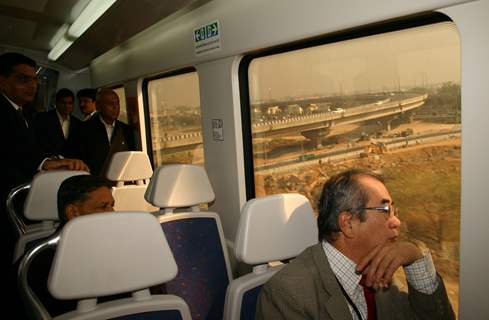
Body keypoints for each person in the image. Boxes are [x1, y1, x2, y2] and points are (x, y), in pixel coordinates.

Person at [256, 169, 454, 320]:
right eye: (385, 210)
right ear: (348, 223)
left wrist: (415, 258)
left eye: (395, 211)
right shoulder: (288, 295)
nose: (397, 222)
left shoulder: (379, 275)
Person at [27, 174, 115, 316]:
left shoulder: (118, 249)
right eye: (103, 207)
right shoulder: (39, 264)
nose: (112, 213)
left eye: (112, 206)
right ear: (73, 212)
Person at [67, 88, 135, 176]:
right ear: (98, 107)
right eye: (110, 104)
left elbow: (131, 158)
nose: (115, 107)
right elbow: (73, 159)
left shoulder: (126, 130)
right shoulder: (82, 130)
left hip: (121, 180)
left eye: (117, 103)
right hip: (93, 183)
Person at [31, 88, 82, 156]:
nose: (67, 106)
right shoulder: (43, 118)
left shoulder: (77, 123)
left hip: (69, 162)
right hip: (48, 160)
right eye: (63, 103)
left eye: (70, 103)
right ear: (56, 102)